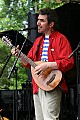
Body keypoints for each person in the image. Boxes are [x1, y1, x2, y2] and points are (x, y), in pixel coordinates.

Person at [11, 8, 74, 120]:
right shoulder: (37, 41)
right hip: (38, 84)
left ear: (51, 24)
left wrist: (48, 65)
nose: (38, 23)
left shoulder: (61, 39)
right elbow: (28, 62)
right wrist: (19, 55)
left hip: (52, 84)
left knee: (50, 118)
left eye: (42, 20)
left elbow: (69, 62)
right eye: (38, 20)